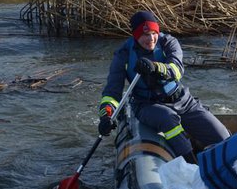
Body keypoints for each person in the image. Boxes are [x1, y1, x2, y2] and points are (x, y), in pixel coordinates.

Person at [98, 11, 230, 163]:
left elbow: (177, 70)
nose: (150, 39)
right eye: (145, 35)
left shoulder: (169, 42)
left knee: (222, 137)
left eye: (154, 33)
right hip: (147, 105)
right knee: (168, 118)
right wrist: (106, 115)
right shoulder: (123, 54)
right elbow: (112, 92)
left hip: (181, 100)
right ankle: (191, 163)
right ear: (136, 36)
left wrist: (156, 67)